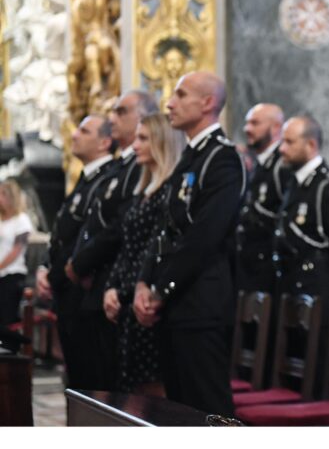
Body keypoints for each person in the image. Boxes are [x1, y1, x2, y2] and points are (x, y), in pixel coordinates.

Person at [134, 71, 245, 415]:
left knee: (207, 409)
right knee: (179, 409)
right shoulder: (191, 157)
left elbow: (204, 237)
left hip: (201, 302)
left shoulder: (222, 158)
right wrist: (143, 280)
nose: (170, 102)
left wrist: (159, 289)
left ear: (208, 103)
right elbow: (164, 226)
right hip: (176, 302)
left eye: (180, 94)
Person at [104, 113, 184, 394]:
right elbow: (128, 248)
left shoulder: (169, 191)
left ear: (162, 142)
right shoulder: (144, 191)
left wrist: (129, 291)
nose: (135, 145)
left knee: (152, 394)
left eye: (143, 138)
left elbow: (154, 250)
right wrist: (112, 288)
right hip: (129, 297)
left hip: (146, 299)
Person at [68, 90, 158, 327]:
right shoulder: (121, 166)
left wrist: (82, 264)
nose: (112, 119)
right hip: (100, 281)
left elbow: (121, 227)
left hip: (114, 281)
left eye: (121, 111)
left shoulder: (139, 167)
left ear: (144, 117)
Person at [41, 114, 117, 390]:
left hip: (82, 288)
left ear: (105, 142)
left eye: (84, 131)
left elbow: (84, 236)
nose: (74, 135)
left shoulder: (107, 178)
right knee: (75, 379)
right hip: (66, 288)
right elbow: (62, 231)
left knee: (90, 381)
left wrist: (55, 276)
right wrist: (44, 271)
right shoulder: (87, 178)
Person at [273, 115, 329, 310]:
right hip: (293, 293)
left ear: (310, 145)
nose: (281, 148)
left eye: (289, 142)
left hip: (320, 299)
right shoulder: (295, 182)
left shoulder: (327, 187)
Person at [236, 103, 289, 294]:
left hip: (268, 268)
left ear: (275, 127)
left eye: (254, 123)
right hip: (250, 266)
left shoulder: (282, 164)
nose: (247, 129)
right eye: (247, 123)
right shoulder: (259, 162)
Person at [0, 180, 34, 326]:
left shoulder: (21, 220)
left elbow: (17, 249)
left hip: (12, 273)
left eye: (2, 194)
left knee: (7, 316)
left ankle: (8, 347)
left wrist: (0, 266)